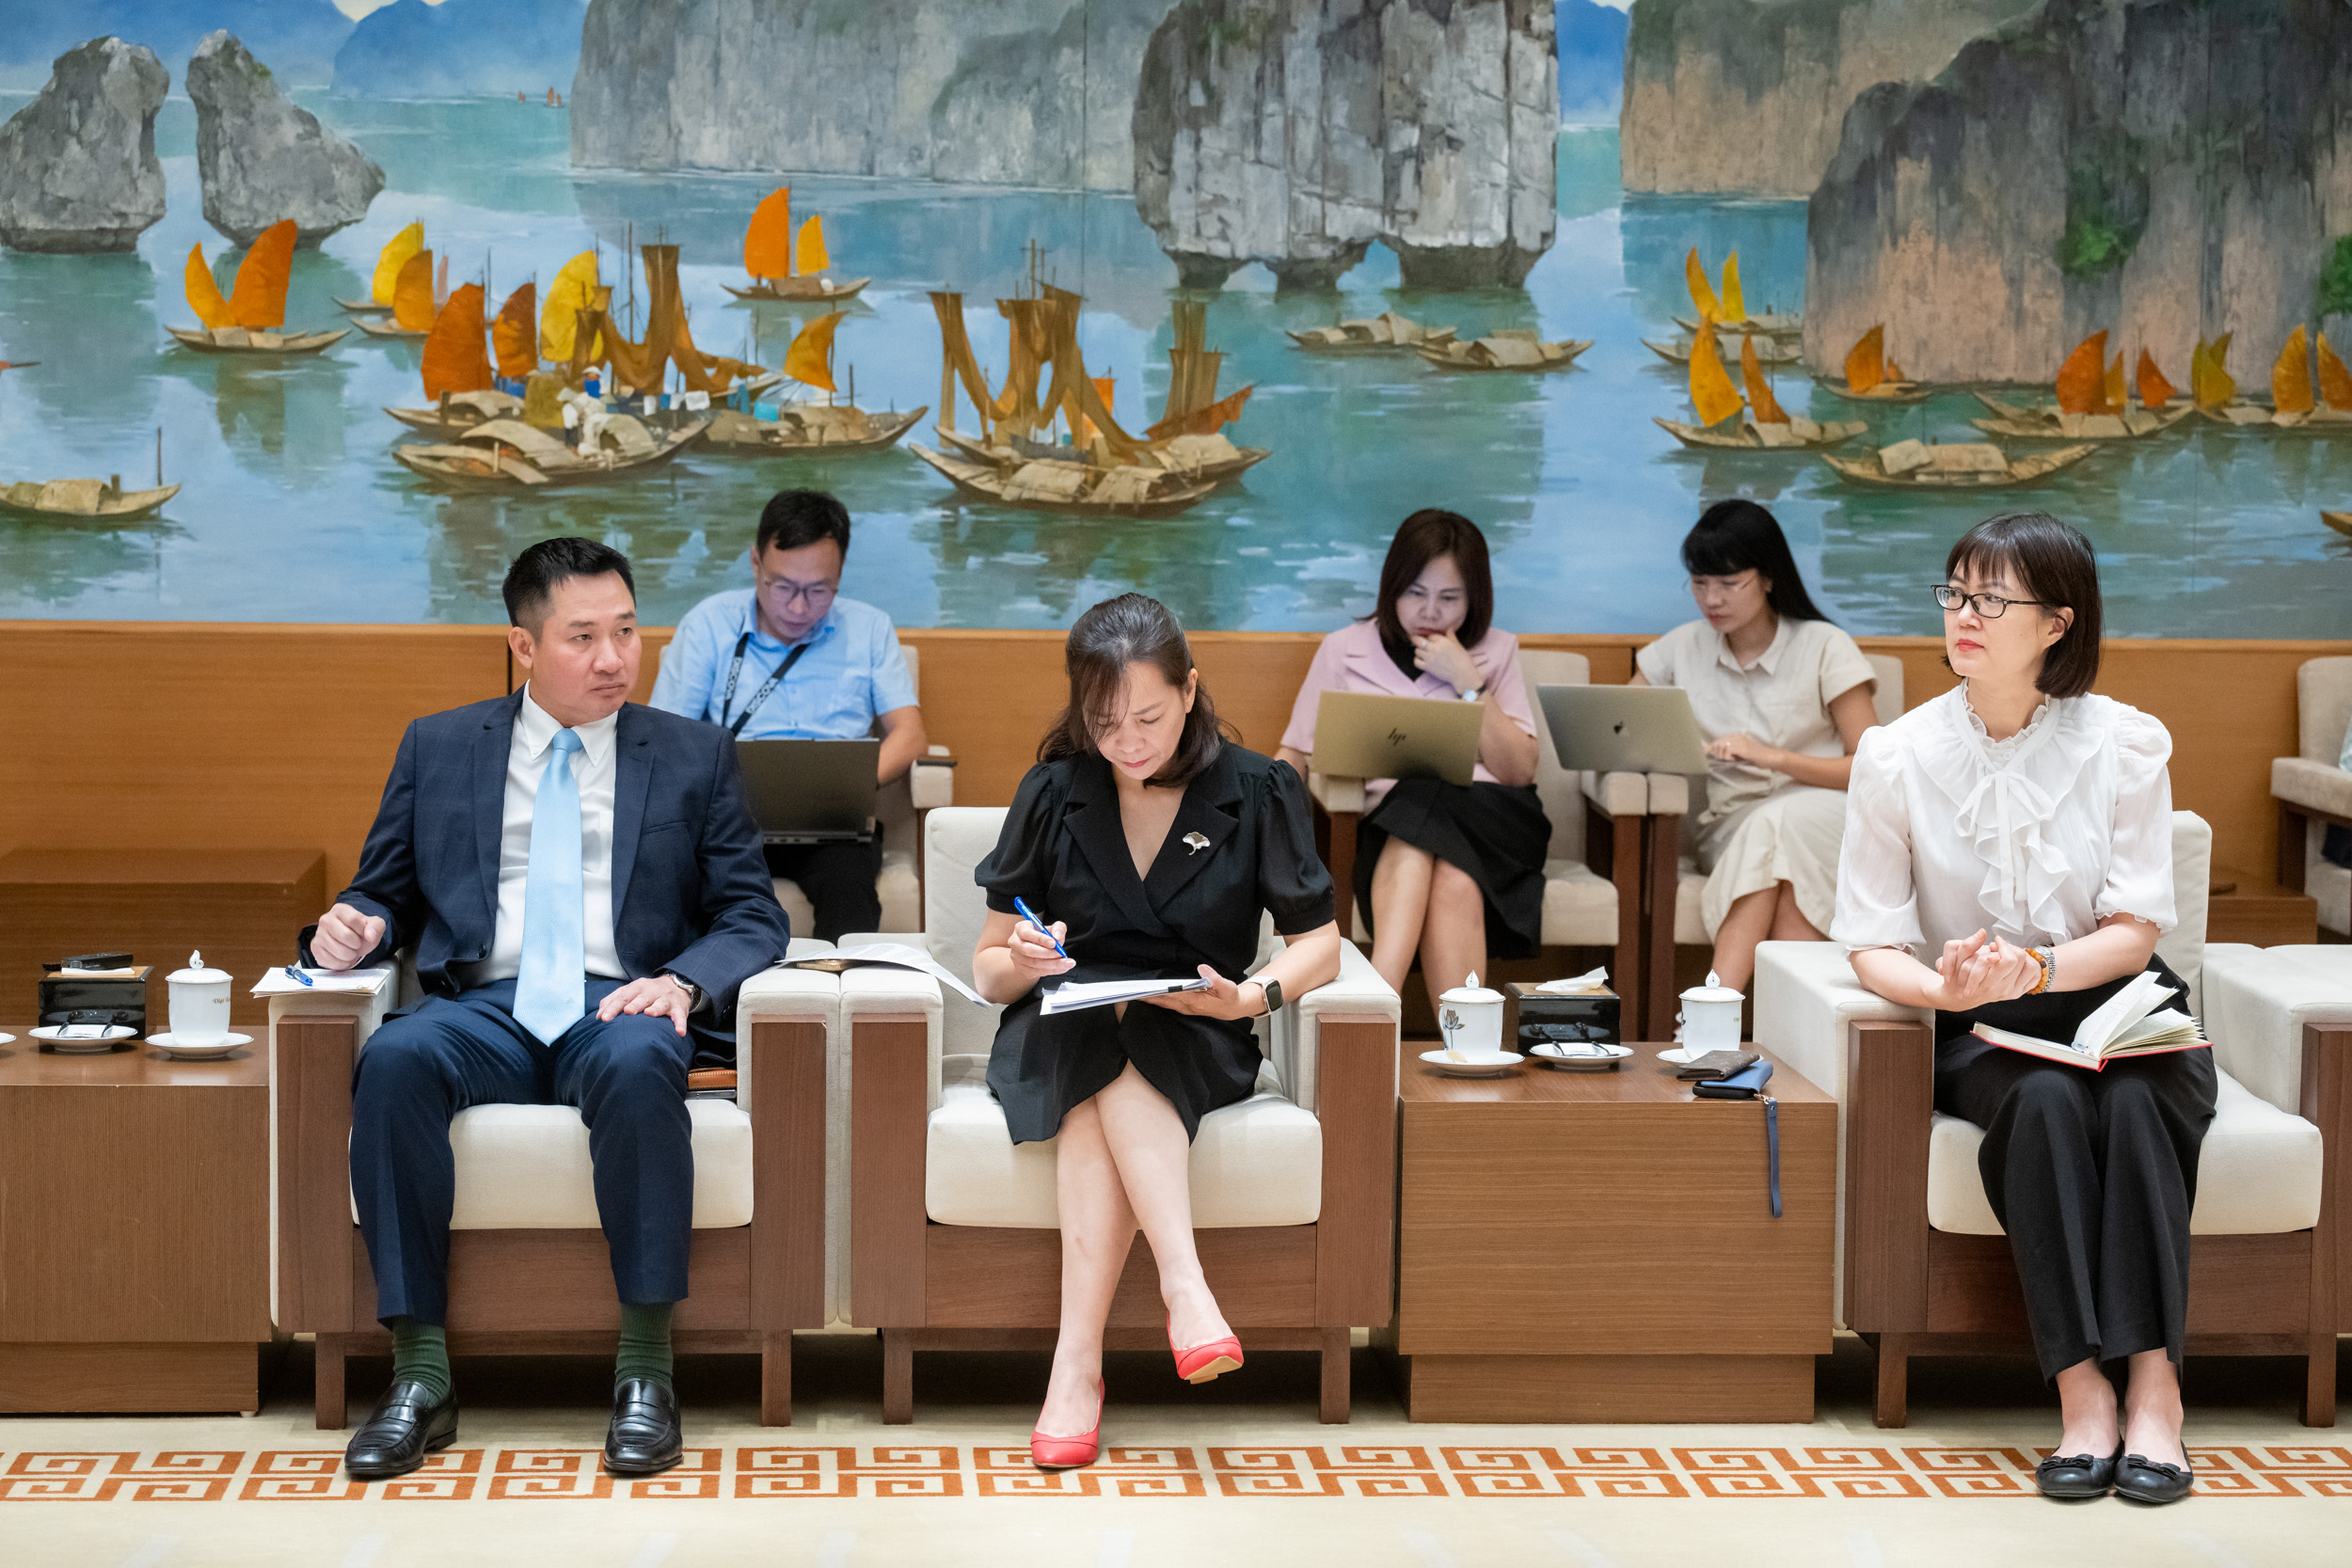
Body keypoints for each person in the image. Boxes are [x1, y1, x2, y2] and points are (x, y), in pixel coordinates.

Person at [305, 538, 791, 1481]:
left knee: (643, 1060)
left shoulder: (691, 754)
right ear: (523, 646)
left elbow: (753, 914)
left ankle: (647, 1372)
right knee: (395, 1061)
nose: (614, 658)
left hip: (620, 999)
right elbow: (382, 890)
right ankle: (420, 1376)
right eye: (583, 637)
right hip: (484, 1006)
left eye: (627, 632)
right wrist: (353, 924)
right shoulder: (440, 745)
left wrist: (682, 981)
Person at [1833, 512, 2212, 1506]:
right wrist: (1944, 991)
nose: (1964, 614)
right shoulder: (1896, 754)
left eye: (1992, 599)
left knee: (2138, 1102)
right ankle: (2082, 1394)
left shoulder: (2123, 742)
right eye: (1956, 592)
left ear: (2056, 622)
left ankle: (2156, 1391)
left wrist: (2036, 968)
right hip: (1984, 1026)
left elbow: (2134, 933)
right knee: (2042, 1104)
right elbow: (1869, 940)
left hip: (2121, 1006)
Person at [974, 594, 1343, 1471]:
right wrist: (1023, 958)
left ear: (1189, 689)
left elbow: (1321, 943)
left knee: (1127, 1045)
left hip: (1198, 1024)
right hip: (1062, 1023)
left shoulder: (1258, 788)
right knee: (1103, 1037)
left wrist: (1251, 999)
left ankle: (1076, 1369)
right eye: (1104, 722)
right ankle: (1185, 1288)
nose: (1127, 741)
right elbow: (987, 970)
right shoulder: (1052, 791)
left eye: (1147, 716)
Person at [1275, 509, 1544, 1014]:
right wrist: (1264, 832)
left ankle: (1379, 995)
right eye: (1416, 592)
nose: (1430, 611)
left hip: (1495, 826)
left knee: (1424, 786)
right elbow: (1295, 753)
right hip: (1388, 833)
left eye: (1450, 598)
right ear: (1392, 586)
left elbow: (1519, 771)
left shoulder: (1497, 650)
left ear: (1475, 597)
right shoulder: (1343, 650)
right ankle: (1464, 1044)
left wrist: (1468, 681)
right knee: (1452, 878)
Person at [650, 489, 926, 941]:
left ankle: (843, 981)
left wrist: (845, 787)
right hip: (728, 824)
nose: (799, 608)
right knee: (688, 885)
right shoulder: (708, 626)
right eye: (782, 587)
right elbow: (662, 736)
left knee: (849, 889)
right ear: (755, 562)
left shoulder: (870, 629)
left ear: (840, 572)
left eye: (818, 590)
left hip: (832, 830)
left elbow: (910, 735)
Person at [1630, 499, 1879, 992]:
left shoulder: (1824, 645)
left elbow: (1871, 769)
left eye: (1728, 583)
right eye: (1700, 583)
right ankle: (1778, 1027)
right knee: (1783, 868)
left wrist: (1774, 758)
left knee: (1784, 824)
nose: (1711, 598)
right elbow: (1618, 723)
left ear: (1767, 578)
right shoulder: (1681, 647)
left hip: (1827, 818)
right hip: (1730, 826)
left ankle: (1713, 1007)